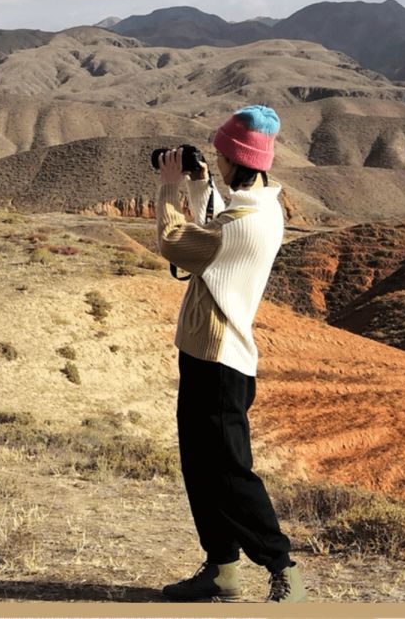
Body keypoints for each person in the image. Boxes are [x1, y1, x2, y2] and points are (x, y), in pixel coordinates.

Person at [154, 104, 306, 603]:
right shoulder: (256, 206)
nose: (214, 162)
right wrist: (200, 188)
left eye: (219, 155)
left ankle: (283, 568)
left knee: (230, 470)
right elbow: (212, 228)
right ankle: (221, 570)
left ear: (236, 158)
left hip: (221, 360)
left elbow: (178, 243)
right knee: (200, 466)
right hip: (203, 354)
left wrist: (168, 185)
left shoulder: (244, 222)